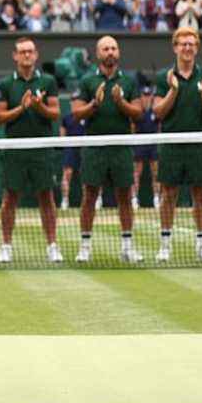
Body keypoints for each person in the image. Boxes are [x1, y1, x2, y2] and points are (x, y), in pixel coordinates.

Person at [71, 36, 143, 263]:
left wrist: (120, 102)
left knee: (124, 195)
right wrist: (95, 104)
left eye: (113, 48)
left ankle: (127, 246)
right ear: (98, 53)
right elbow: (76, 113)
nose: (110, 52)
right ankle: (84, 247)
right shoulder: (87, 81)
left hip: (121, 146)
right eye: (105, 49)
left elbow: (139, 113)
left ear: (118, 52)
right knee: (89, 196)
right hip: (94, 146)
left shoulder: (129, 81)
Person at [152, 27, 202, 262]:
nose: (187, 48)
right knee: (168, 195)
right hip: (171, 144)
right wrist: (173, 90)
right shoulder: (164, 76)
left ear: (197, 47)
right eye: (183, 44)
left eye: (191, 44)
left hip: (199, 144)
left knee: (200, 194)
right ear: (175, 47)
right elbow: (158, 112)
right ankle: (165, 245)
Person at [0, 38, 63, 263]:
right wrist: (22, 108)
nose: (26, 55)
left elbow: (55, 114)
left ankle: (52, 245)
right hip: (15, 148)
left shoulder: (48, 81)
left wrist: (38, 106)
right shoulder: (6, 84)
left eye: (30, 52)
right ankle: (6, 245)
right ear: (15, 56)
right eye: (22, 52)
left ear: (36, 55)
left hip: (41, 149)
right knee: (10, 198)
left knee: (46, 197)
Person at [131, 86, 162, 209]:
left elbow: (159, 127)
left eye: (148, 95)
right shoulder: (138, 111)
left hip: (153, 144)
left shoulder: (155, 111)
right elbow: (132, 127)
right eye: (144, 95)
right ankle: (134, 198)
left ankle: (157, 198)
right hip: (139, 144)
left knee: (155, 173)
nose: (146, 98)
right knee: (136, 173)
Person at [59, 110, 87, 210]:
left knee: (87, 175)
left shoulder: (87, 116)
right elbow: (62, 135)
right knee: (67, 174)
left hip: (84, 148)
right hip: (70, 148)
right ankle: (65, 200)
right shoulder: (66, 118)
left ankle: (90, 201)